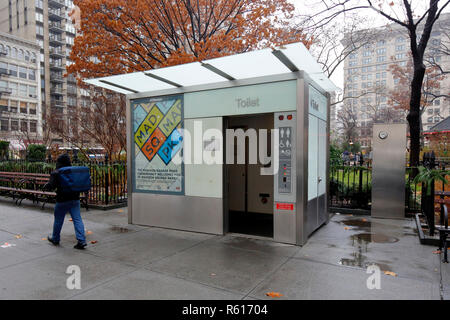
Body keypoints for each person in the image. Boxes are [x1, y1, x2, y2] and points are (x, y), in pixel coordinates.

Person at [44, 154, 87, 249]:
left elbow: (51, 186)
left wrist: (47, 186)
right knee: (77, 219)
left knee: (58, 220)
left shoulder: (56, 172)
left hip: (62, 200)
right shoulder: (73, 171)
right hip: (75, 199)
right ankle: (81, 240)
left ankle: (55, 238)